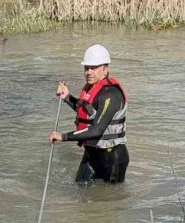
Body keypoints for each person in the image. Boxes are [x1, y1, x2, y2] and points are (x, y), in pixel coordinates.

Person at [49, 44, 129, 184]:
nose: (88, 72)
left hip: (112, 158)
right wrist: (67, 97)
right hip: (92, 153)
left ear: (105, 69)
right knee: (80, 192)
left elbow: (96, 130)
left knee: (110, 201)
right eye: (86, 68)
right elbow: (86, 114)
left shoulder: (110, 95)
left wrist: (63, 136)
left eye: (93, 68)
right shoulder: (93, 90)